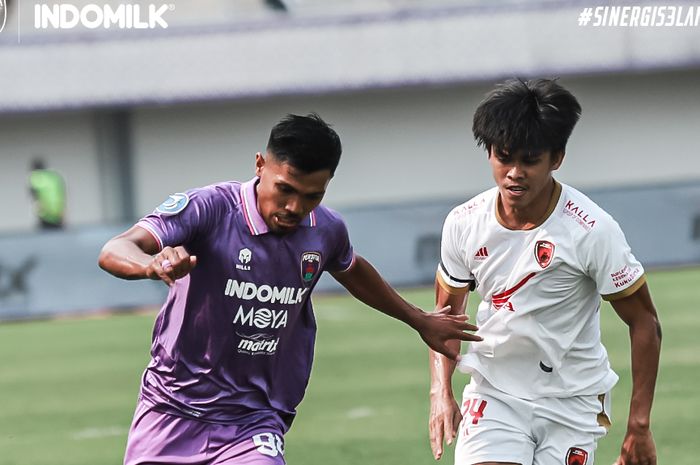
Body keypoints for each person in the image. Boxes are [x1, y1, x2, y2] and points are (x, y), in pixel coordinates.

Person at [99, 113, 477, 465]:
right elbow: (116, 248)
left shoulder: (325, 230)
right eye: (285, 189)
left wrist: (418, 319)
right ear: (260, 165)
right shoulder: (210, 208)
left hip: (254, 419)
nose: (295, 207)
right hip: (171, 409)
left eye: (313, 195)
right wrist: (149, 265)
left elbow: (351, 267)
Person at [428, 79, 661, 465]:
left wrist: (639, 425)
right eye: (504, 157)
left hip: (571, 400)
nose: (514, 172)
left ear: (557, 158)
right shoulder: (463, 223)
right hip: (495, 392)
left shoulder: (591, 230)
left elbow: (645, 323)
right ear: (489, 153)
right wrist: (441, 391)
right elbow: (445, 318)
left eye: (530, 159)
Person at [28, 157, 66, 229]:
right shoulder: (54, 176)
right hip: (58, 213)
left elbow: (33, 196)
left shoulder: (34, 177)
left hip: (44, 214)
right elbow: (63, 192)